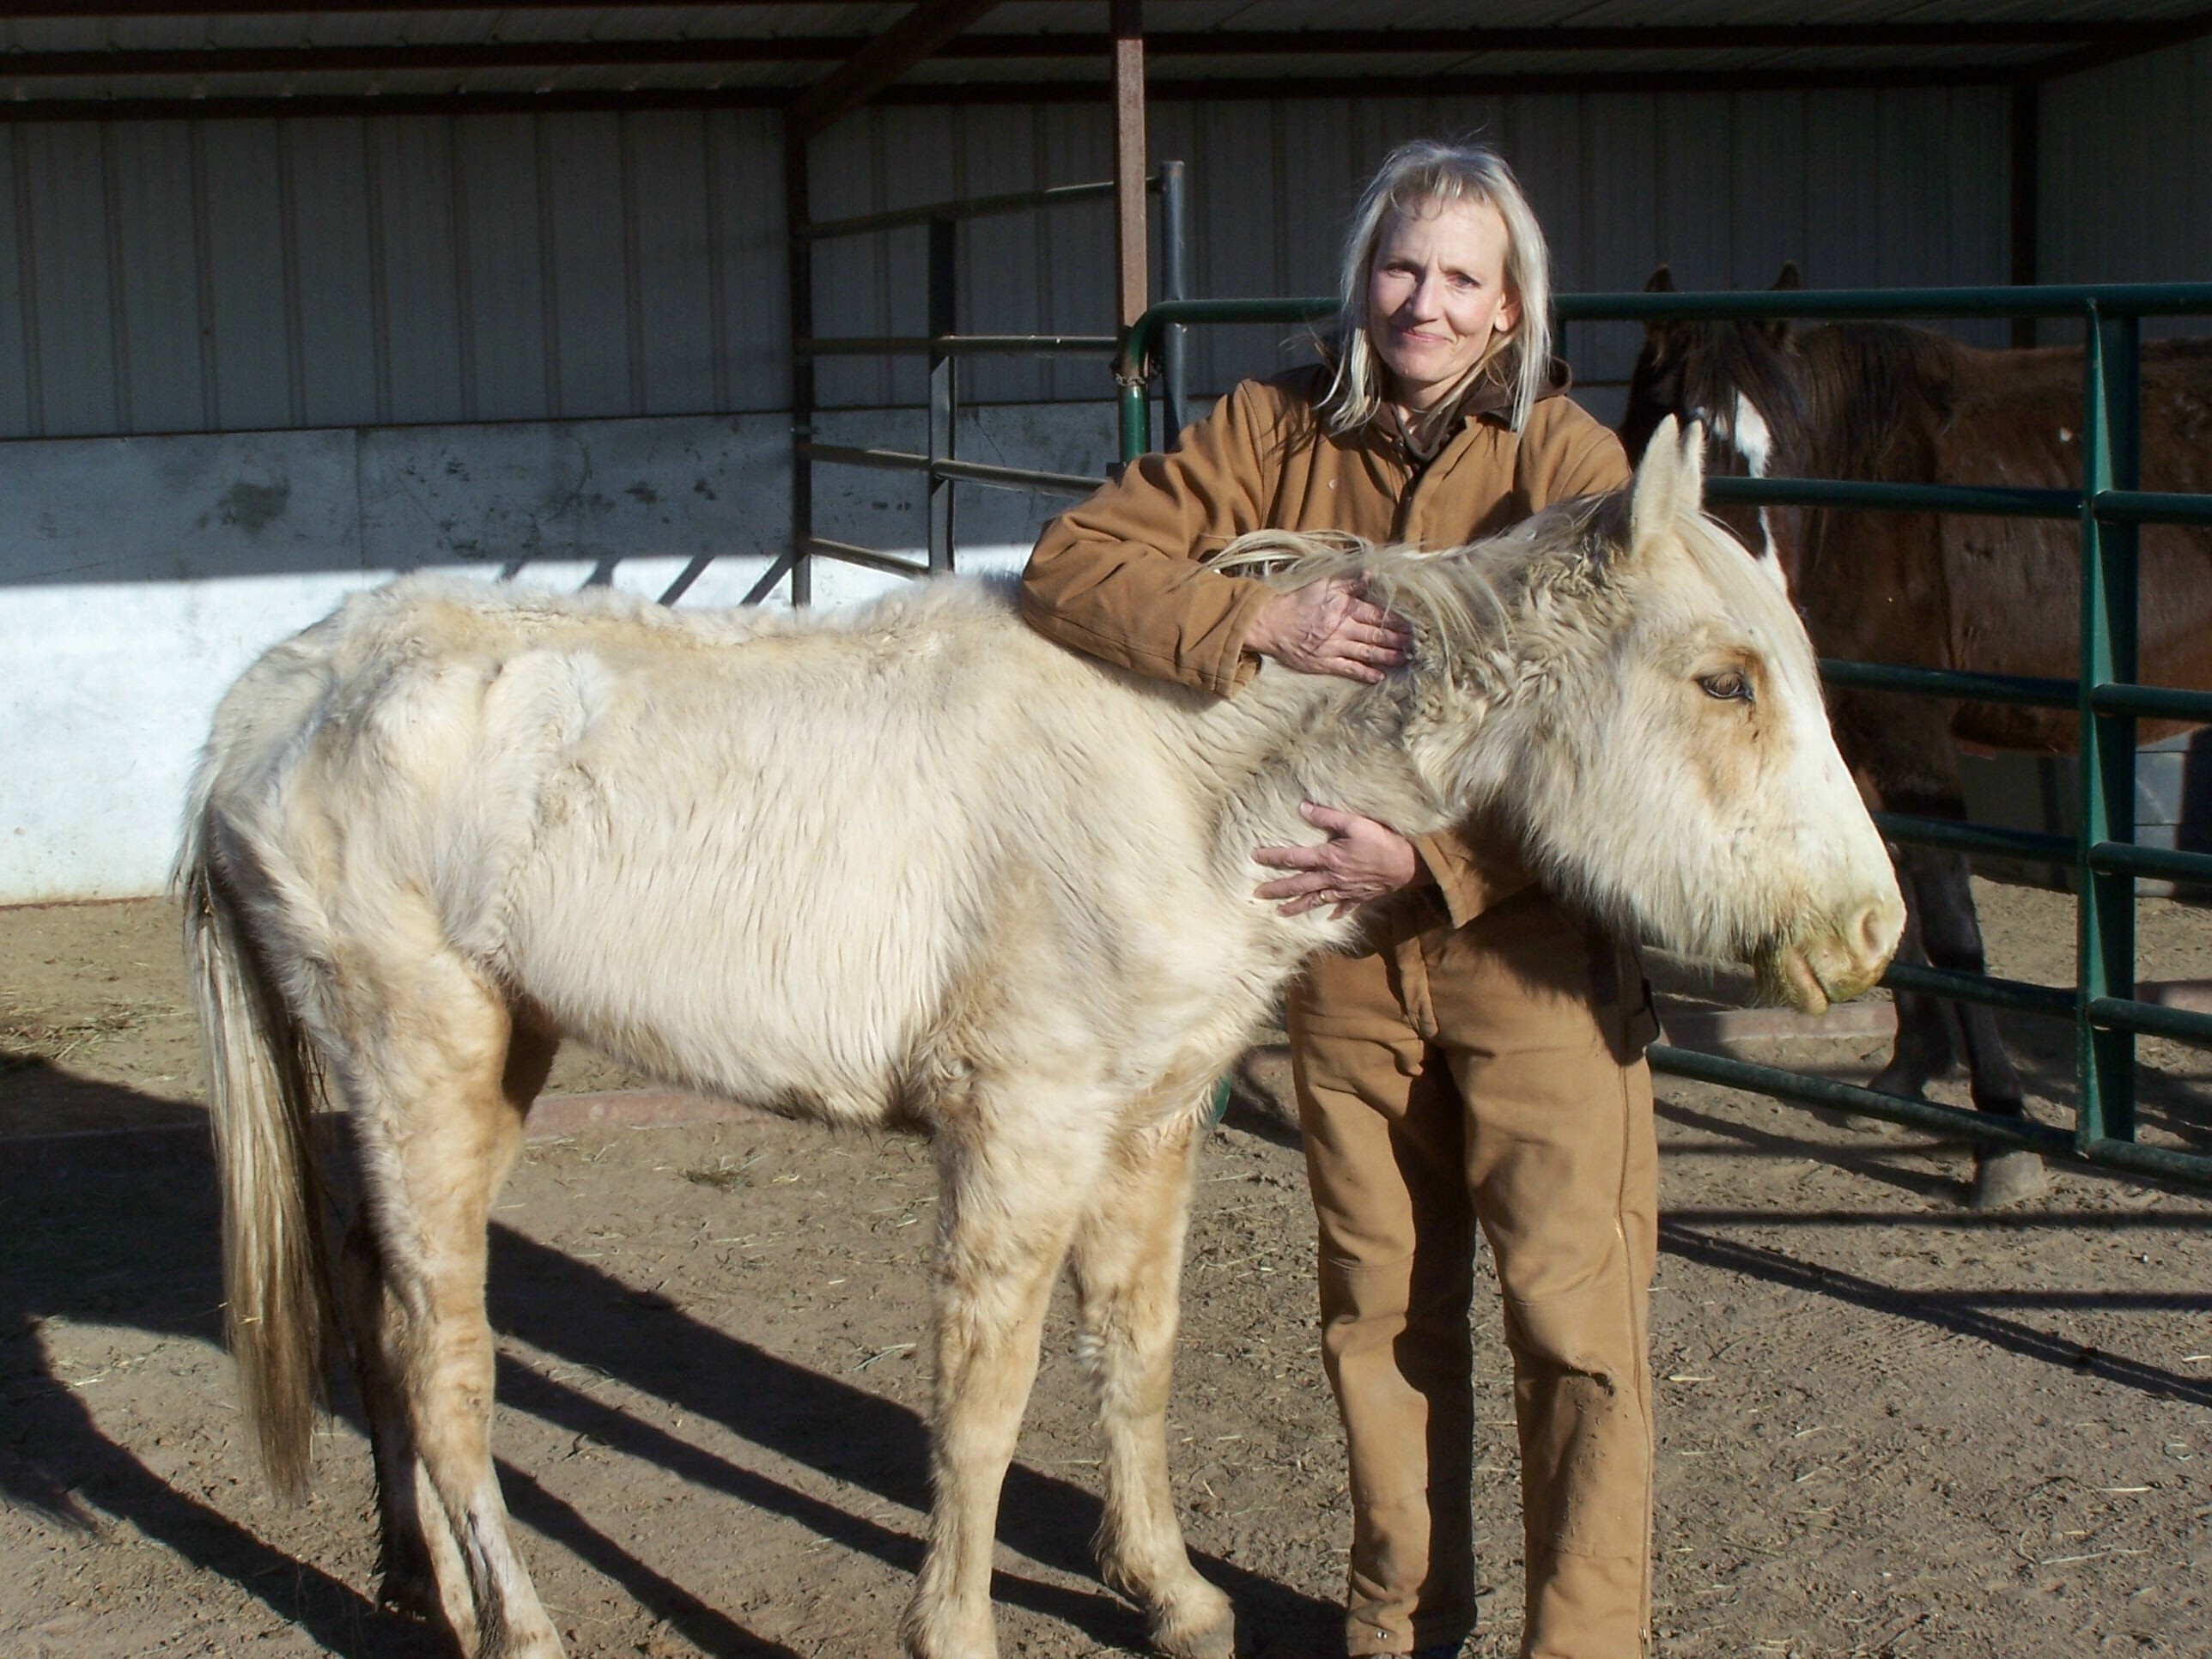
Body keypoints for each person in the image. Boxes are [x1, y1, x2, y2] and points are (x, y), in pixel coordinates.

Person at [1020, 139, 1658, 1658]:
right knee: (1380, 1319)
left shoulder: (1570, 469)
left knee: (1576, 1329)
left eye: (1458, 280)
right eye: (1400, 268)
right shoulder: (1270, 426)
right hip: (1339, 956)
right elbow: (1071, 563)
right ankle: (1398, 1631)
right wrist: (1259, 617)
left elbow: (1616, 730)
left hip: (1529, 952)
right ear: (1363, 278)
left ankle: (1583, 1644)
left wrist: (1434, 863)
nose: (1421, 305)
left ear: (1510, 311)